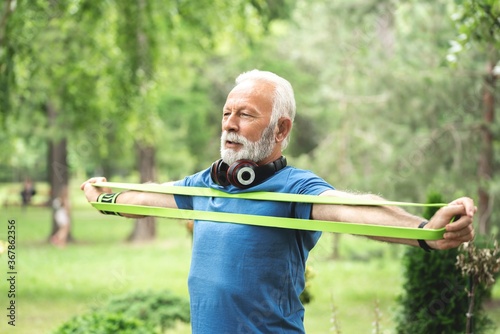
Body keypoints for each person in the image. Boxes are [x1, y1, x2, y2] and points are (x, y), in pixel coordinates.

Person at [81, 70, 475, 333]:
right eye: (227, 113)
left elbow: (351, 209)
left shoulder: (295, 189)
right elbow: (149, 198)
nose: (230, 124)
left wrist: (427, 232)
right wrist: (105, 196)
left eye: (245, 115)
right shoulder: (206, 185)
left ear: (281, 128)